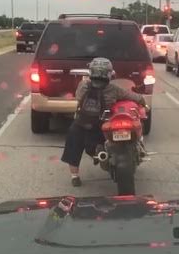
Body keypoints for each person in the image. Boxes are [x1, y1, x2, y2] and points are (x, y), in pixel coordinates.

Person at [61, 57, 149, 187]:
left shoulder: (83, 86)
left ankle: (75, 176)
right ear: (109, 73)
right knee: (109, 142)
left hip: (81, 123)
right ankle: (105, 154)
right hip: (101, 125)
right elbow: (133, 96)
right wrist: (143, 102)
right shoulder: (113, 89)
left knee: (73, 147)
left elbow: (78, 97)